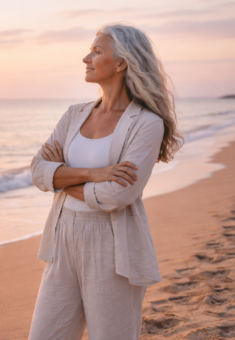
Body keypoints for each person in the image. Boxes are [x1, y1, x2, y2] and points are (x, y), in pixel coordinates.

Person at [28, 23, 183, 340]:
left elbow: (116, 194)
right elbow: (37, 170)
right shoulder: (75, 114)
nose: (86, 58)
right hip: (63, 234)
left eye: (97, 51)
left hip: (113, 242)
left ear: (121, 63)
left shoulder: (147, 123)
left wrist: (60, 177)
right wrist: (92, 173)